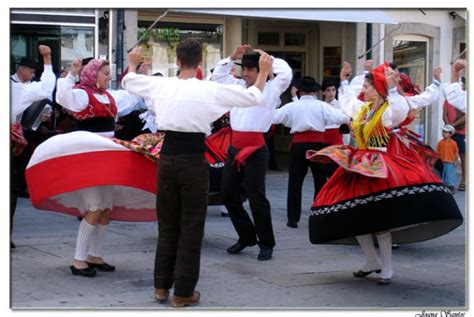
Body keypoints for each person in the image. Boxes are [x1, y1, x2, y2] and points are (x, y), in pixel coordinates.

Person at [121, 38, 273, 307]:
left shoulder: (162, 84)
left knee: (167, 225)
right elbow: (253, 96)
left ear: (177, 61)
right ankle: (182, 292)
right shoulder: (209, 89)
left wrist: (132, 63)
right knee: (191, 227)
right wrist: (262, 71)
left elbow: (128, 82)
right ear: (200, 62)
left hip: (167, 156)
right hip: (193, 158)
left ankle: (160, 287)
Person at [305, 62, 462, 286]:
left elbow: (400, 109)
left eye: (367, 87)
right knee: (356, 217)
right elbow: (347, 101)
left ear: (377, 90)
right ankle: (371, 261)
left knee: (380, 220)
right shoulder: (362, 109)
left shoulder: (388, 112)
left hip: (379, 167)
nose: (364, 91)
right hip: (358, 166)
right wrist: (344, 80)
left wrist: (390, 87)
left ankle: (387, 267)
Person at [27, 57, 148, 279]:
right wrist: (72, 74)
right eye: (105, 73)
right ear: (93, 74)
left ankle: (94, 255)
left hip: (107, 158)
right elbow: (62, 97)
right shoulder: (82, 94)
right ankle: (78, 259)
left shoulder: (109, 96)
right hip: (89, 158)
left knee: (106, 209)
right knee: (95, 207)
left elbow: (133, 97)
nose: (108, 77)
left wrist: (136, 71)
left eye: (109, 73)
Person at [211, 44, 292, 261]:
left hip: (256, 149)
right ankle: (246, 235)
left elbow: (286, 73)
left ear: (260, 71)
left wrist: (267, 58)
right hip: (235, 147)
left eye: (250, 70)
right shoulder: (236, 85)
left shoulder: (272, 87)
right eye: (243, 69)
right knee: (227, 194)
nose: (245, 73)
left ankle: (267, 243)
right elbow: (216, 78)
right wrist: (230, 57)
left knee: (257, 197)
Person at [272, 76, 349, 229]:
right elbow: (341, 117)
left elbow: (274, 117)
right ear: (314, 91)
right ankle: (318, 214)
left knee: (295, 182)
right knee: (320, 181)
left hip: (298, 145)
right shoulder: (321, 106)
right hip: (318, 145)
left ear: (299, 91)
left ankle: (293, 219)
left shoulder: (292, 106)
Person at [10, 45, 56, 249]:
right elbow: (47, 87)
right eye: (31, 71)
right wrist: (47, 58)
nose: (33, 75)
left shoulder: (22, 87)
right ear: (21, 70)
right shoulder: (19, 88)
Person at [436, 125, 459, 194]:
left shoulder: (453, 143)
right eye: (443, 132)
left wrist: (456, 160)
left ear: (450, 134)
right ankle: (444, 186)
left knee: (450, 175)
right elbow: (437, 152)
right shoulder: (440, 142)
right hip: (442, 161)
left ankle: (451, 187)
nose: (443, 133)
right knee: (443, 175)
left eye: (445, 132)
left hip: (450, 162)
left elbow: (456, 152)